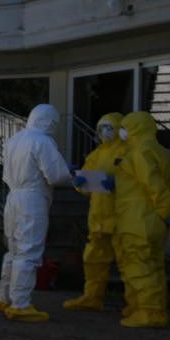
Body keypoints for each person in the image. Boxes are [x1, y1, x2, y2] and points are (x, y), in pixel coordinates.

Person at [0, 103, 75, 322]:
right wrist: (74, 174)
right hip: (33, 199)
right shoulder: (43, 141)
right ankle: (21, 304)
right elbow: (56, 176)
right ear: (49, 122)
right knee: (29, 251)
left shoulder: (14, 140)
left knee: (13, 250)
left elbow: (5, 174)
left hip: (13, 197)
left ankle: (4, 298)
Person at [112, 110, 170, 328]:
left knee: (138, 265)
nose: (121, 131)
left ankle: (147, 312)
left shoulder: (139, 152)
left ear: (135, 128)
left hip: (138, 218)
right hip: (154, 219)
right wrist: (165, 214)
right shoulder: (159, 151)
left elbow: (153, 184)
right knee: (155, 267)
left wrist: (163, 208)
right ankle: (149, 308)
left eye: (125, 127)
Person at [63, 112, 123, 312]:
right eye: (102, 127)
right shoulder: (96, 154)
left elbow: (138, 181)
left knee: (129, 261)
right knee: (94, 259)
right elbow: (87, 185)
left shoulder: (127, 152)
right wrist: (79, 182)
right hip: (98, 215)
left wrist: (119, 185)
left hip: (122, 215)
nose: (105, 131)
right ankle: (92, 297)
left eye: (110, 127)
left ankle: (139, 304)